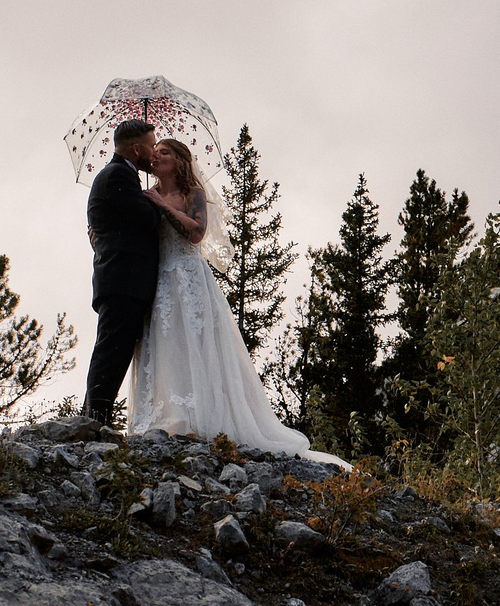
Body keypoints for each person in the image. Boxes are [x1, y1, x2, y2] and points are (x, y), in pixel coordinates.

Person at [133, 136, 343, 463]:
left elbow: (197, 234)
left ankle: (202, 416)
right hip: (162, 278)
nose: (156, 157)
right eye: (155, 152)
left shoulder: (192, 194)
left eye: (164, 153)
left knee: (197, 342)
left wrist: (162, 207)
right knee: (167, 341)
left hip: (189, 276)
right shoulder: (149, 194)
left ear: (178, 161)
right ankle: (172, 415)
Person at [83, 118, 163, 420]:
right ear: (136, 148)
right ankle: (96, 417)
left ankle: (93, 415)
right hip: (122, 280)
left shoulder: (122, 176)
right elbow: (147, 220)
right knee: (112, 350)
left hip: (124, 280)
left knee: (115, 349)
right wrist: (159, 200)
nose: (154, 152)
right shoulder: (117, 176)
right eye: (152, 146)